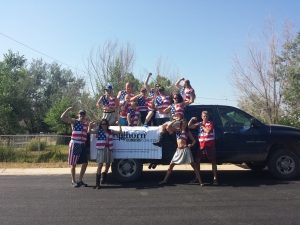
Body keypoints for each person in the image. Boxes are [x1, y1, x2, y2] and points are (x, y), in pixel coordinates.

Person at [159, 119, 203, 186]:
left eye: (186, 123)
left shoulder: (187, 132)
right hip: (178, 150)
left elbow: (194, 140)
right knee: (171, 165)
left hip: (186, 150)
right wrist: (174, 121)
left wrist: (191, 145)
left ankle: (200, 182)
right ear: (181, 124)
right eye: (183, 123)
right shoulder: (177, 130)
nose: (184, 125)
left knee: (194, 165)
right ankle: (164, 180)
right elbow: (168, 127)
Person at [89, 119, 122, 189]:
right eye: (102, 124)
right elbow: (89, 132)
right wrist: (90, 126)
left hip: (109, 149)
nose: (104, 125)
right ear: (101, 125)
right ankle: (97, 184)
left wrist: (119, 125)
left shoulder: (110, 131)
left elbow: (120, 132)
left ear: (107, 125)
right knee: (100, 165)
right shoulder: (99, 131)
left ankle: (104, 176)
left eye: (105, 124)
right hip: (101, 149)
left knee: (108, 164)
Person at [60, 107, 89, 188]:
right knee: (73, 164)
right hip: (75, 143)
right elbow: (62, 117)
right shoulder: (75, 121)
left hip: (82, 144)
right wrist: (68, 110)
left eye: (83, 114)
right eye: (81, 114)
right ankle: (73, 181)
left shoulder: (86, 123)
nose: (82, 116)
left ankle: (80, 180)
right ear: (78, 115)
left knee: (85, 163)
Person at [188, 111, 218, 185]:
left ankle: (215, 178)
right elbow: (189, 126)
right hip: (201, 145)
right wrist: (191, 119)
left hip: (210, 145)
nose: (205, 117)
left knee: (213, 161)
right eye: (204, 116)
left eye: (206, 116)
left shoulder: (210, 123)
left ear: (208, 117)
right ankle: (197, 178)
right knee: (197, 161)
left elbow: (208, 131)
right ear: (201, 117)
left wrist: (202, 126)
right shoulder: (199, 123)